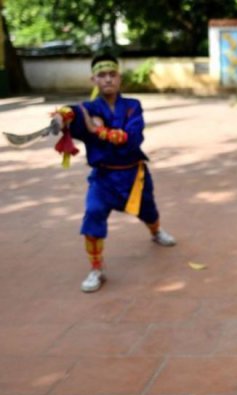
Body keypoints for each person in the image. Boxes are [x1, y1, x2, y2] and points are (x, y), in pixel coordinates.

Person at [51, 53, 176, 293]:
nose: (107, 79)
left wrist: (97, 131)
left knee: (148, 210)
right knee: (93, 213)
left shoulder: (132, 106)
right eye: (102, 75)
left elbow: (132, 138)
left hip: (133, 175)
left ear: (119, 78)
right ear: (93, 80)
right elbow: (70, 114)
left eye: (112, 74)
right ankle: (96, 269)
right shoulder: (87, 109)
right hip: (103, 178)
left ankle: (156, 231)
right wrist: (60, 117)